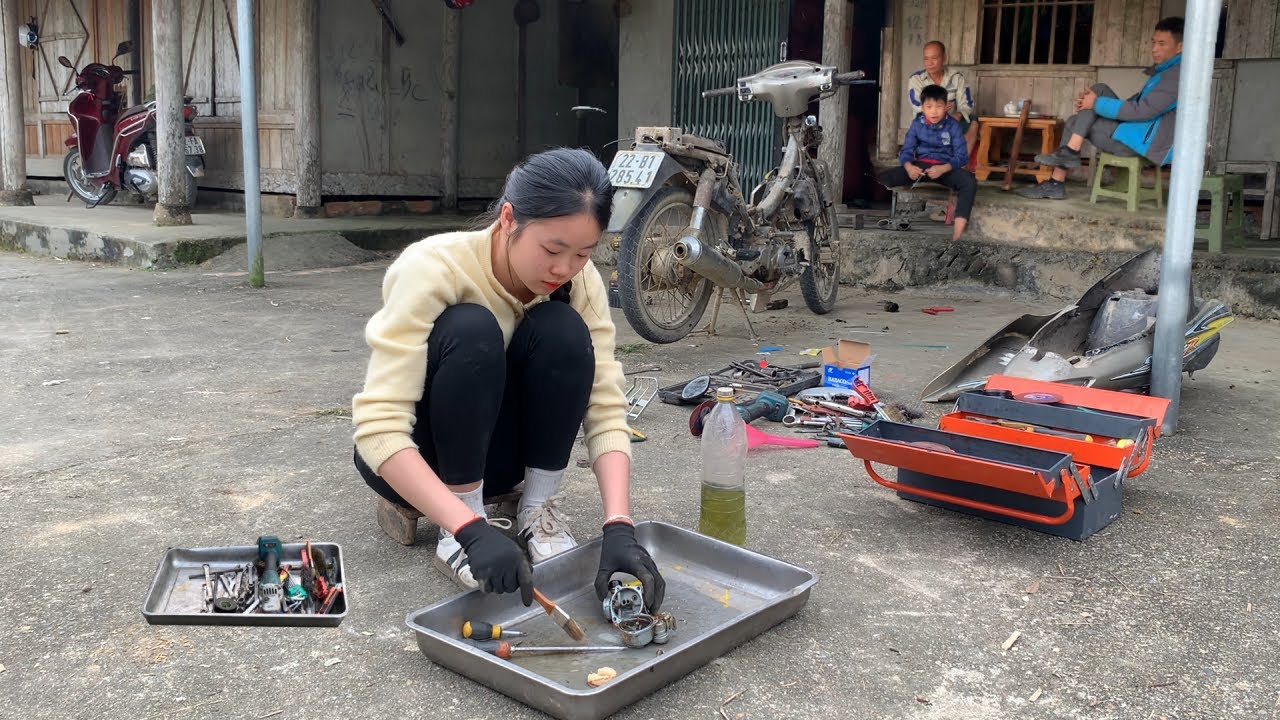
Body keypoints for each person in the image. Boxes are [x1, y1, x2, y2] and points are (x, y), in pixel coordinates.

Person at [351, 147, 664, 612]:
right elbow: (378, 430)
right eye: (552, 249)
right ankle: (462, 518)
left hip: (503, 462)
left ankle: (536, 510)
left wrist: (619, 524)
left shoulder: (580, 282)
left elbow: (604, 405)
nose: (563, 268)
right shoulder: (433, 266)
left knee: (562, 331)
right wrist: (468, 529)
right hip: (425, 456)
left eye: (583, 253)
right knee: (471, 328)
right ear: (508, 218)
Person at [1019, 16, 1184, 200]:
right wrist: (1092, 104)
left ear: (1180, 47)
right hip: (1137, 134)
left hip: (1143, 144)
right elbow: (1139, 105)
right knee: (1099, 90)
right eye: (1153, 42)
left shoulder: (1175, 76)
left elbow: (1142, 111)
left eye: (1162, 44)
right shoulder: (1165, 71)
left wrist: (1095, 104)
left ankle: (1060, 175)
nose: (1154, 49)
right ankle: (1068, 155)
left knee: (1076, 122)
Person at [880, 84, 977, 241]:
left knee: (969, 181)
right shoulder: (917, 125)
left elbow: (962, 156)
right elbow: (906, 151)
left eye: (939, 106)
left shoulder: (953, 126)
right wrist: (909, 166)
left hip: (946, 168)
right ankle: (883, 223)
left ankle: (957, 235)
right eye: (929, 106)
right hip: (920, 167)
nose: (934, 111)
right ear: (923, 108)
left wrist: (944, 168)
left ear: (946, 106)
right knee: (884, 177)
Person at [908, 41, 978, 159]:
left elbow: (967, 103)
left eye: (934, 58)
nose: (929, 63)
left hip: (951, 120)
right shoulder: (916, 79)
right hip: (925, 120)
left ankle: (961, 163)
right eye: (926, 59)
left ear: (944, 58)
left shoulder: (956, 77)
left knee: (974, 121)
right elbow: (916, 104)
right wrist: (939, 111)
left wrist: (959, 114)